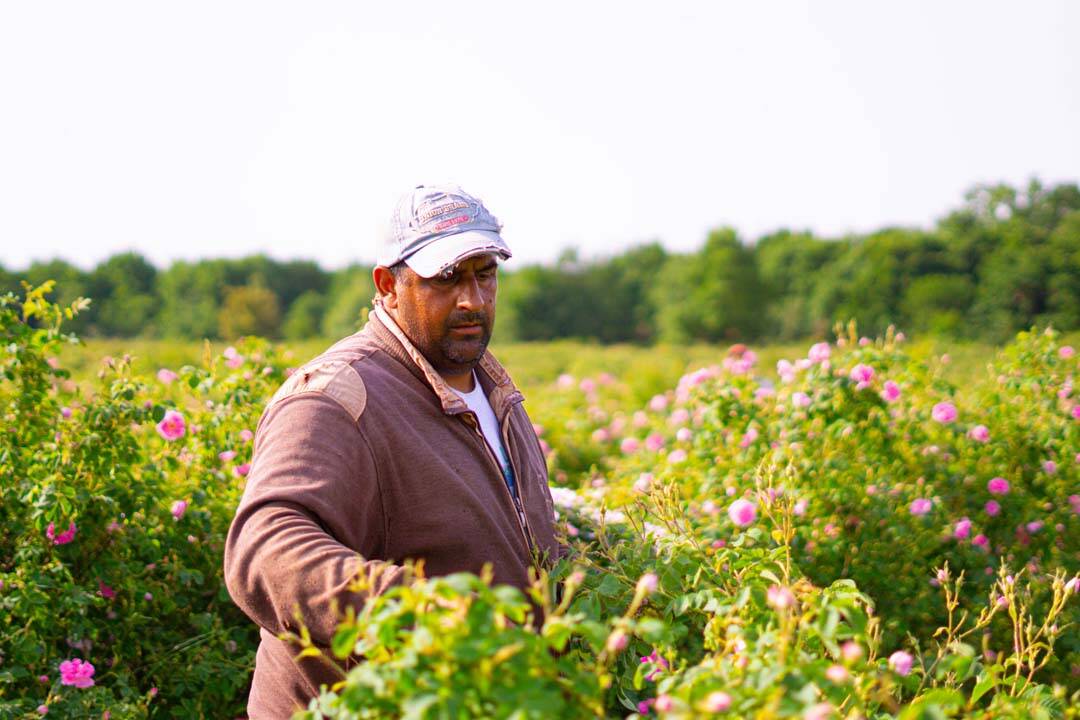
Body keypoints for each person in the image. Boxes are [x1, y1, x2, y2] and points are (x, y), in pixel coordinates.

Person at [223, 184, 562, 718]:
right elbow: (264, 548)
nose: (472, 298)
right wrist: (415, 609)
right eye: (446, 278)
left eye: (484, 273)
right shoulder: (338, 397)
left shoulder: (492, 391)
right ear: (389, 285)